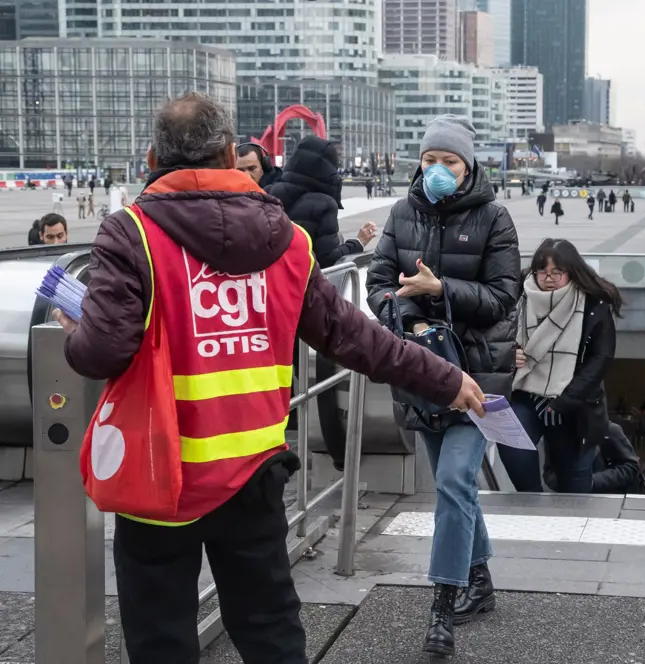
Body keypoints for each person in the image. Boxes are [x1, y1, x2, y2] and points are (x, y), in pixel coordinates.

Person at [54, 93, 485, 664]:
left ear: (152, 158)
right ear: (230, 154)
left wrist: (75, 330)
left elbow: (102, 352)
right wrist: (444, 378)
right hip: (252, 471)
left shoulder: (130, 234)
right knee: (269, 628)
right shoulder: (287, 240)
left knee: (160, 635)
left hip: (159, 471)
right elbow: (355, 338)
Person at [365, 114, 520, 659]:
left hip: (477, 371)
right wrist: (407, 319)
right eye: (430, 159)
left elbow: (503, 296)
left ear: (468, 166)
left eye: (449, 161)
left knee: (453, 482)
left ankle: (442, 606)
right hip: (421, 370)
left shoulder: (494, 217)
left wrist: (442, 289)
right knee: (457, 488)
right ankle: (480, 581)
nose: (438, 169)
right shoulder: (401, 213)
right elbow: (378, 284)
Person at [497, 238, 620, 493]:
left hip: (573, 403)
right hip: (524, 392)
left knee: (574, 484)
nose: (548, 279)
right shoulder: (518, 294)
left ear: (571, 272)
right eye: (542, 272)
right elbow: (493, 335)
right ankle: (532, 503)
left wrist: (566, 401)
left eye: (557, 272)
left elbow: (600, 359)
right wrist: (508, 353)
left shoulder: (592, 303)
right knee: (511, 441)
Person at [267, 136, 377, 270]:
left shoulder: (268, 192)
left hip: (270, 278)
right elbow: (328, 260)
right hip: (302, 279)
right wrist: (358, 242)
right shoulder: (324, 205)